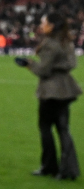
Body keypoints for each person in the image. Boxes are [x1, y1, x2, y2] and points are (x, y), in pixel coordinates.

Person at [16, 13, 81, 180]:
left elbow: (43, 71)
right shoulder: (66, 41)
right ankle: (69, 170)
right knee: (64, 128)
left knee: (45, 127)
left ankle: (49, 166)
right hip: (66, 89)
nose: (41, 24)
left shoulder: (50, 44)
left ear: (51, 25)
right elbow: (72, 63)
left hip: (51, 91)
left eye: (44, 22)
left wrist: (28, 64)